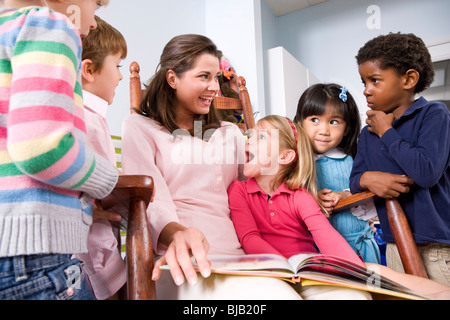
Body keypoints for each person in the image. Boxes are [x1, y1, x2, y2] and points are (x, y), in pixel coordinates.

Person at [121, 34, 352, 300]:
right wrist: (178, 235)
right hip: (181, 259)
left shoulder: (229, 132)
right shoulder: (140, 128)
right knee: (278, 297)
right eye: (204, 76)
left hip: (243, 258)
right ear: (172, 79)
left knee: (345, 296)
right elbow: (151, 204)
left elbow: (256, 191)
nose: (214, 88)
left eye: (217, 78)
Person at [0, 0, 119, 300]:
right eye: (96, 4)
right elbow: (42, 148)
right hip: (35, 257)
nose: (92, 23)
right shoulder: (48, 25)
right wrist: (108, 181)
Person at [228, 115, 372, 299]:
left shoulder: (299, 194)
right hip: (270, 271)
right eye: (250, 135)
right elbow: (249, 238)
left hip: (307, 270)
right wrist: (282, 267)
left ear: (285, 156)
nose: (248, 141)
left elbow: (324, 233)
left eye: (262, 137)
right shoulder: (239, 190)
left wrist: (357, 271)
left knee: (356, 296)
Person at [351, 32, 450, 285]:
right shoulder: (367, 132)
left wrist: (386, 131)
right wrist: (368, 178)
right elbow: (355, 180)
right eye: (363, 82)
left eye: (374, 80)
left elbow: (426, 172)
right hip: (394, 244)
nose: (366, 91)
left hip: (436, 247)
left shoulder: (434, 114)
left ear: (408, 79)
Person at [294, 83, 380, 264]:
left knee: (369, 290)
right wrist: (312, 199)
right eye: (315, 120)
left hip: (359, 247)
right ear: (300, 122)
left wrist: (345, 195)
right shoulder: (297, 162)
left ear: (347, 128)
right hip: (318, 250)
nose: (324, 131)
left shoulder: (354, 160)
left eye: (334, 122)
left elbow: (373, 199)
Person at [73, 15, 127, 300]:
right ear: (89, 70)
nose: (119, 76)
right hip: (90, 269)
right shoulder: (89, 122)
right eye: (117, 66)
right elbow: (97, 209)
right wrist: (111, 284)